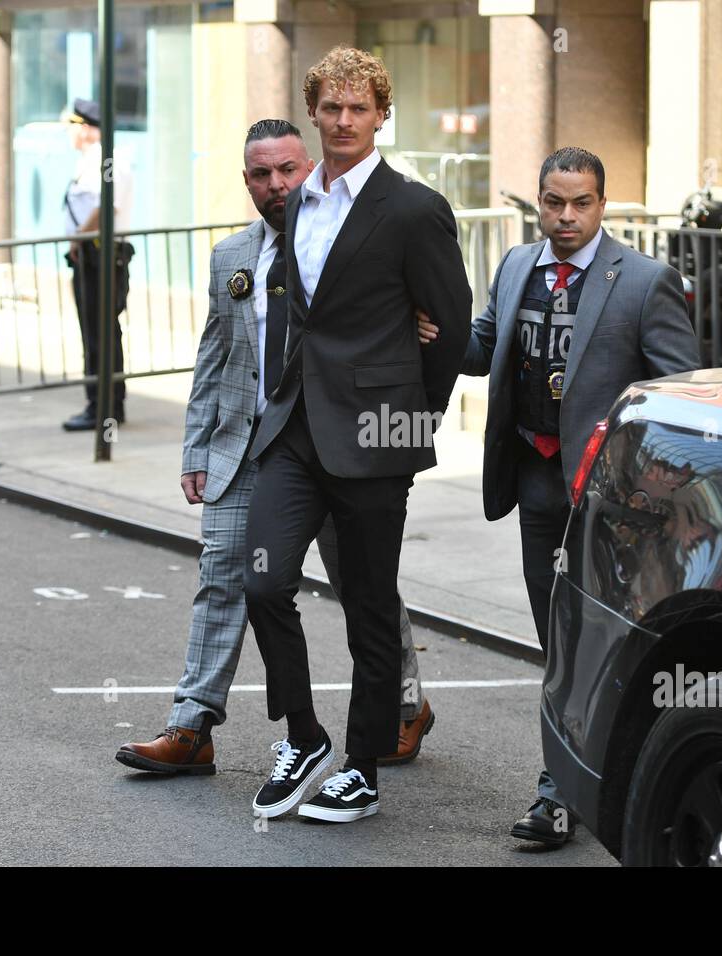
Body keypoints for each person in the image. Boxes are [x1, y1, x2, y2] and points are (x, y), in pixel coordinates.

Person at [115, 119, 432, 775]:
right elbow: (215, 356)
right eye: (261, 175)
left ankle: (405, 705)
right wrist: (197, 446)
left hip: (338, 448)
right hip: (248, 450)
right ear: (247, 181)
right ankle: (191, 726)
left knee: (361, 582)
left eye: (288, 170)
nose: (276, 185)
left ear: (309, 166)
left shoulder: (353, 247)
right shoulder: (232, 256)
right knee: (223, 577)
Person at [419, 147, 701, 847]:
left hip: (611, 501)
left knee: (596, 643)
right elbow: (486, 347)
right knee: (557, 638)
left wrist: (655, 489)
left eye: (580, 203)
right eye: (553, 201)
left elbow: (681, 390)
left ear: (604, 204)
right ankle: (568, 783)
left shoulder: (644, 281)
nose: (566, 216)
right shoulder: (518, 266)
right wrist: (437, 333)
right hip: (537, 479)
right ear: (538, 202)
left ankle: (574, 790)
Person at [243, 46, 470, 824]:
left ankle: (363, 766)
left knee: (369, 605)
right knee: (263, 580)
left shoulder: (412, 208)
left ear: (380, 115)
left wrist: (413, 414)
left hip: (376, 434)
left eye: (358, 109)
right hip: (298, 428)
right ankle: (303, 737)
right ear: (315, 113)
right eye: (331, 109)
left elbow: (454, 321)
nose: (343, 121)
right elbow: (299, 309)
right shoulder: (299, 198)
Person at [62, 98, 134, 431]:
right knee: (96, 331)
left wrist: (78, 236)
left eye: (73, 127)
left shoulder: (108, 159)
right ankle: (102, 404)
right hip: (91, 254)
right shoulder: (92, 160)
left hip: (100, 254)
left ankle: (103, 407)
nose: (70, 135)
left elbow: (108, 205)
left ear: (88, 128)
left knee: (100, 332)